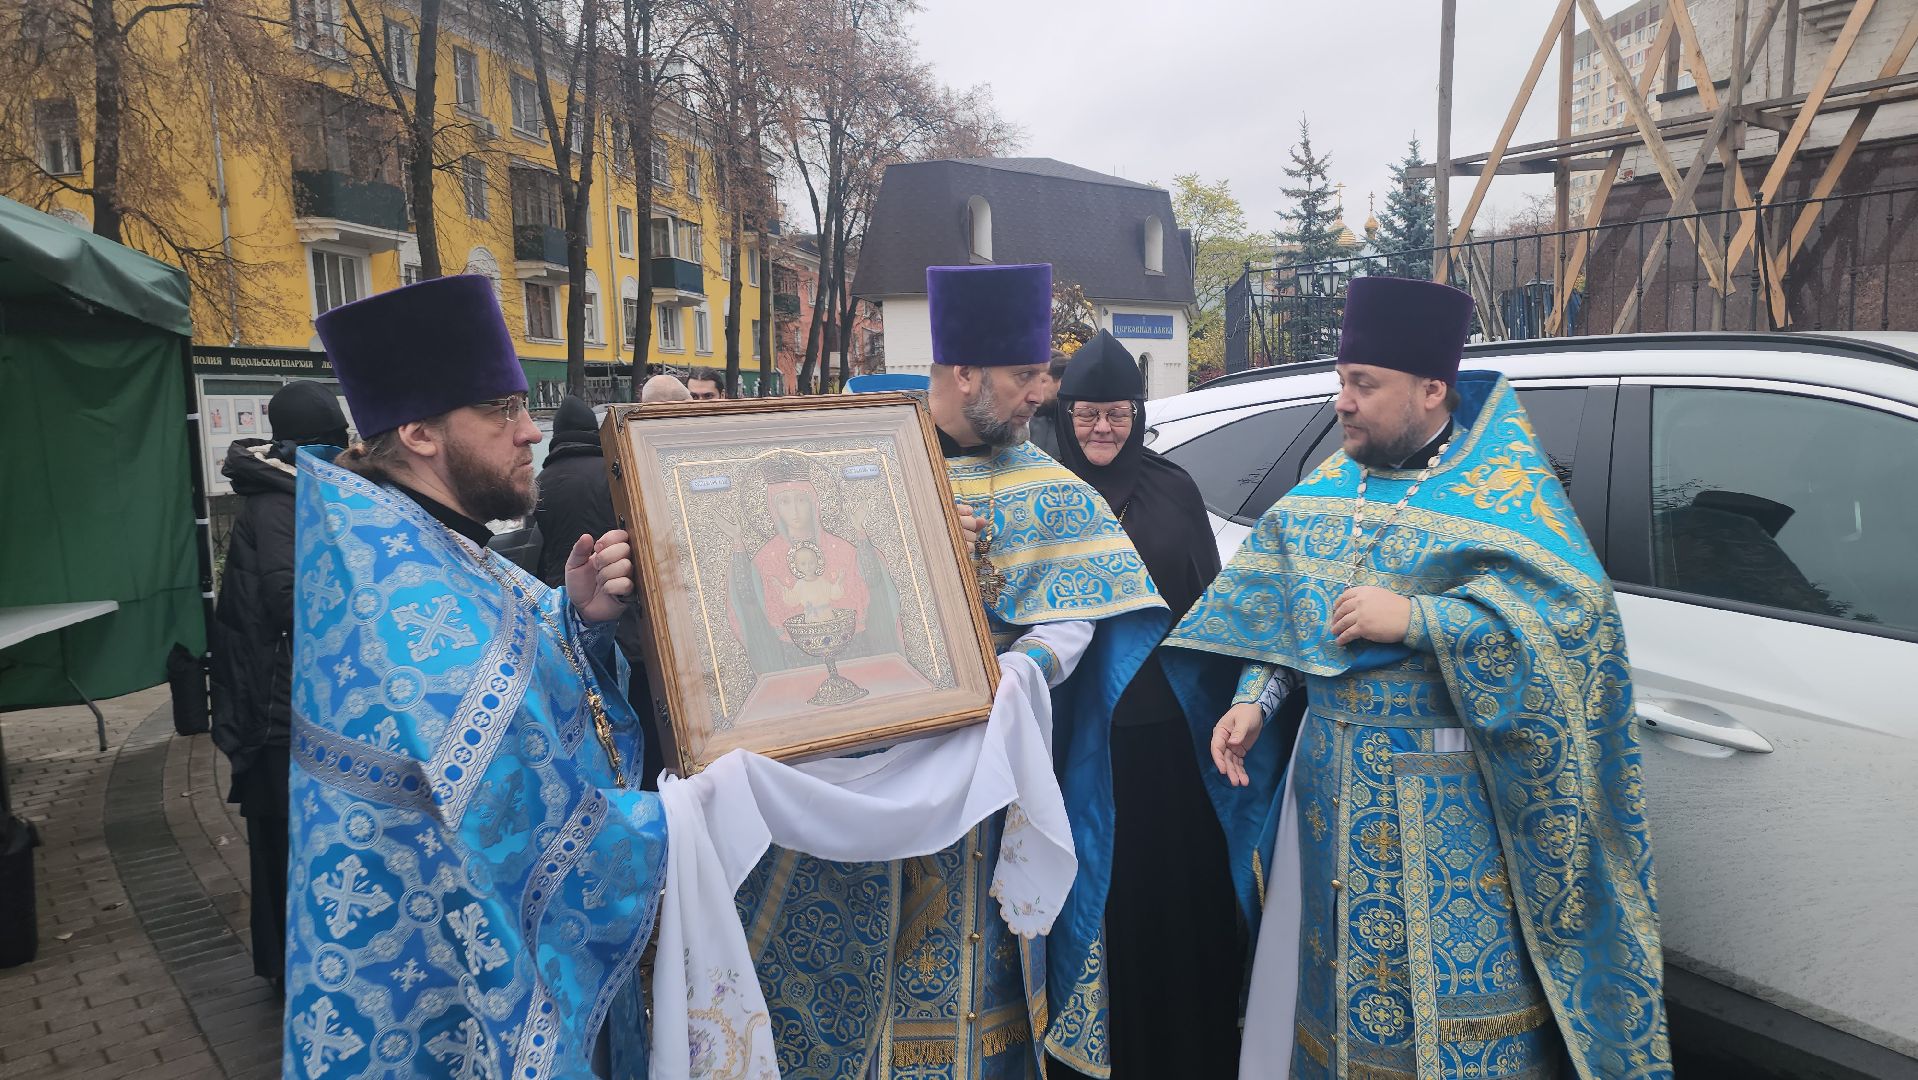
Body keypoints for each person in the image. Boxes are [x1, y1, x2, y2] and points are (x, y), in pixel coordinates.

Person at [1163, 276, 1670, 1080]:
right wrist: (1254, 702)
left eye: (1364, 385)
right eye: (1340, 382)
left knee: (1446, 1017)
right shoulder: (1324, 493)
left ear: (1431, 389)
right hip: (1325, 797)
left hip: (1449, 813)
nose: (1343, 403)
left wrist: (1422, 620)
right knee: (1327, 998)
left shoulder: (1504, 496)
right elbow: (1287, 614)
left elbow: (1574, 630)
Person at [735, 263, 1169, 1078]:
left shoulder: (1050, 488)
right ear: (964, 372)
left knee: (962, 1005)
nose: (1042, 392)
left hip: (974, 791)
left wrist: (1022, 670)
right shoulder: (847, 467)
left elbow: (1076, 613)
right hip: (847, 781)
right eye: (1026, 375)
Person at [284, 275, 666, 1079]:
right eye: (501, 409)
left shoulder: (417, 540)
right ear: (420, 431)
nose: (529, 431)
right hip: (436, 992)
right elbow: (512, 800)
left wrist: (577, 619)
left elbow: (510, 665)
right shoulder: (387, 585)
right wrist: (694, 819)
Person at [1046, 330, 1240, 1078]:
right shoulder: (1044, 490)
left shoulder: (1173, 489)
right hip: (1076, 741)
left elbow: (1211, 605)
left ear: (1137, 414)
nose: (1101, 430)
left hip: (1164, 740)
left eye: (1117, 415)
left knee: (1169, 899)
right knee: (1097, 898)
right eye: (1087, 415)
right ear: (1066, 415)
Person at [208, 379, 349, 990]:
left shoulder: (284, 492)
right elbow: (290, 599)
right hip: (276, 707)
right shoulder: (281, 502)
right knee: (282, 842)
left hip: (274, 695)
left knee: (284, 842)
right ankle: (289, 971)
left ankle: (287, 964)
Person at [531, 393, 667, 791]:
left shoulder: (543, 481)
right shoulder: (612, 472)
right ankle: (655, 780)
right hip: (626, 608)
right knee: (646, 703)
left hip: (569, 607)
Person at [1023, 349, 1071, 459]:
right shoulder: (1028, 418)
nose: (1032, 389)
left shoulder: (1078, 424)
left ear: (1061, 382)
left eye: (1042, 381)